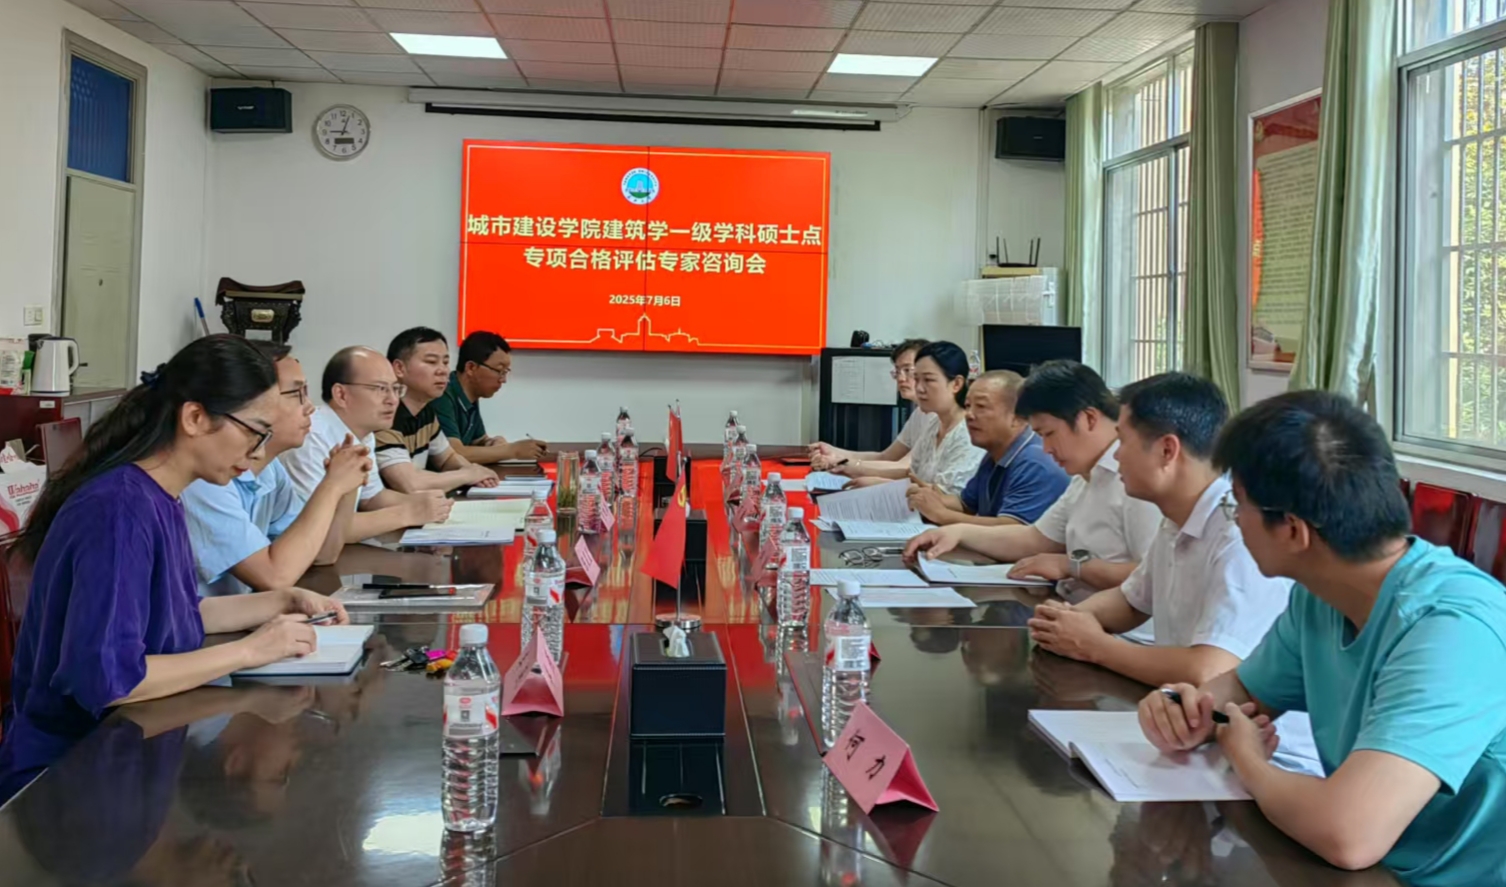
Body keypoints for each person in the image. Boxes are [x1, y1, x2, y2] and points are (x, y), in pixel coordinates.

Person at [1137, 391, 1506, 883]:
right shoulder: (1320, 597)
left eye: (1237, 505)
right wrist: (1181, 708)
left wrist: (1248, 759)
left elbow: (1349, 835)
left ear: (1292, 530)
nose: (1236, 520)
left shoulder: (1453, 630)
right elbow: (1242, 693)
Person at [0, 335, 348, 802]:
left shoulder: (161, 498)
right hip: (67, 779)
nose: (257, 453)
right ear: (195, 418)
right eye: (254, 432)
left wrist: (280, 601)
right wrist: (249, 651)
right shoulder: (119, 510)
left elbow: (174, 612)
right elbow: (110, 679)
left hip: (123, 762)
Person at [1025, 373, 1292, 689]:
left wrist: (1096, 646)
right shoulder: (1175, 521)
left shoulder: (1239, 536)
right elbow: (1130, 602)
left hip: (1235, 718)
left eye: (1123, 441)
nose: (1117, 455)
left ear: (1167, 450)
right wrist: (1065, 621)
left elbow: (1209, 670)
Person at [905, 360, 1160, 596]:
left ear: (1089, 418)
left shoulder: (1135, 478)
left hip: (1109, 625)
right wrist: (958, 533)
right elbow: (1036, 539)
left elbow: (1152, 575)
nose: (1045, 448)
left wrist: (1072, 567)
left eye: (1049, 434)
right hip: (1078, 615)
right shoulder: (1085, 477)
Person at [181, 342, 371, 595]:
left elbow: (323, 553)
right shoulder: (203, 479)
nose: (310, 407)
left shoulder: (270, 470)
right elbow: (274, 576)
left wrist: (346, 486)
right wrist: (332, 486)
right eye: (295, 394)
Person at [280, 346, 454, 537]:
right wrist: (408, 513)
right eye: (380, 389)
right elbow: (321, 528)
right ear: (341, 394)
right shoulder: (311, 436)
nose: (393, 400)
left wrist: (420, 502)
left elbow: (371, 497)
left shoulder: (363, 433)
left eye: (395, 389)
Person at [906, 369, 1069, 526]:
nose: (969, 415)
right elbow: (966, 504)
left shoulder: (1035, 462)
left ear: (1017, 417)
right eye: (968, 406)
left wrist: (941, 515)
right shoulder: (993, 454)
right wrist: (930, 498)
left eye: (981, 406)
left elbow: (1011, 528)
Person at [828, 341, 984, 496]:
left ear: (956, 384)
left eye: (928, 380)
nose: (919, 388)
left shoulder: (968, 433)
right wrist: (858, 473)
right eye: (917, 379)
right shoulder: (934, 424)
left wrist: (878, 483)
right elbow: (912, 475)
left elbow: (947, 497)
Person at [376, 327, 499, 494]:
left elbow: (447, 458)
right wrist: (468, 475)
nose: (443, 371)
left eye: (446, 362)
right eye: (431, 362)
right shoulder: (385, 414)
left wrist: (477, 474)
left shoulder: (426, 411)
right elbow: (409, 484)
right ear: (399, 368)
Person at [809, 338, 927, 474]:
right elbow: (885, 457)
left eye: (907, 370)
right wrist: (833, 452)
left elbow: (904, 467)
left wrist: (843, 463)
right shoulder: (919, 413)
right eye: (897, 371)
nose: (900, 378)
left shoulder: (936, 416)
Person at [431, 330, 547, 465]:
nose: (503, 380)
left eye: (506, 372)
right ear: (471, 368)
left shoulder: (470, 396)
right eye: (499, 371)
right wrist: (512, 450)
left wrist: (491, 442)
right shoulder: (442, 395)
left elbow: (477, 440)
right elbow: (453, 454)